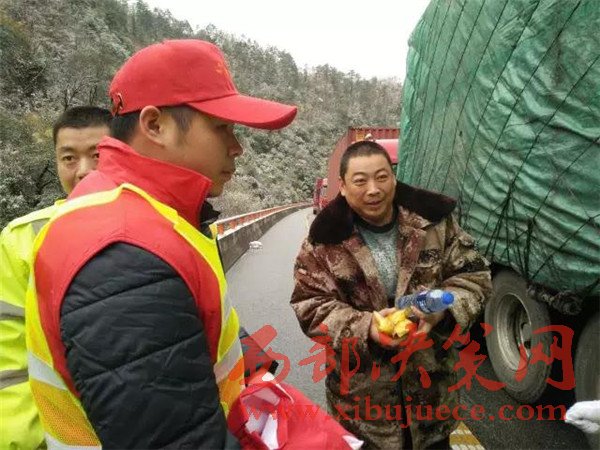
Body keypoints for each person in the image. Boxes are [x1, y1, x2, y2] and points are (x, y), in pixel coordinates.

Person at [25, 39, 297, 448]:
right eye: (221, 127)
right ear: (154, 125)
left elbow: (182, 329)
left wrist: (254, 368)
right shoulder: (122, 252)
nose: (237, 147)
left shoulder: (145, 214)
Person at [290, 141, 492, 449]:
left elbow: (473, 276)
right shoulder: (324, 241)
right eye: (360, 181)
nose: (373, 189)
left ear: (394, 179)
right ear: (342, 186)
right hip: (363, 410)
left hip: (432, 397)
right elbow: (310, 305)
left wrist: (443, 310)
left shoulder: (435, 224)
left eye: (382, 177)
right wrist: (365, 327)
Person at [0, 106, 111, 449]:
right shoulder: (23, 239)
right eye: (69, 158)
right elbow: (8, 360)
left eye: (97, 155)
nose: (84, 171)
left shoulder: (161, 223)